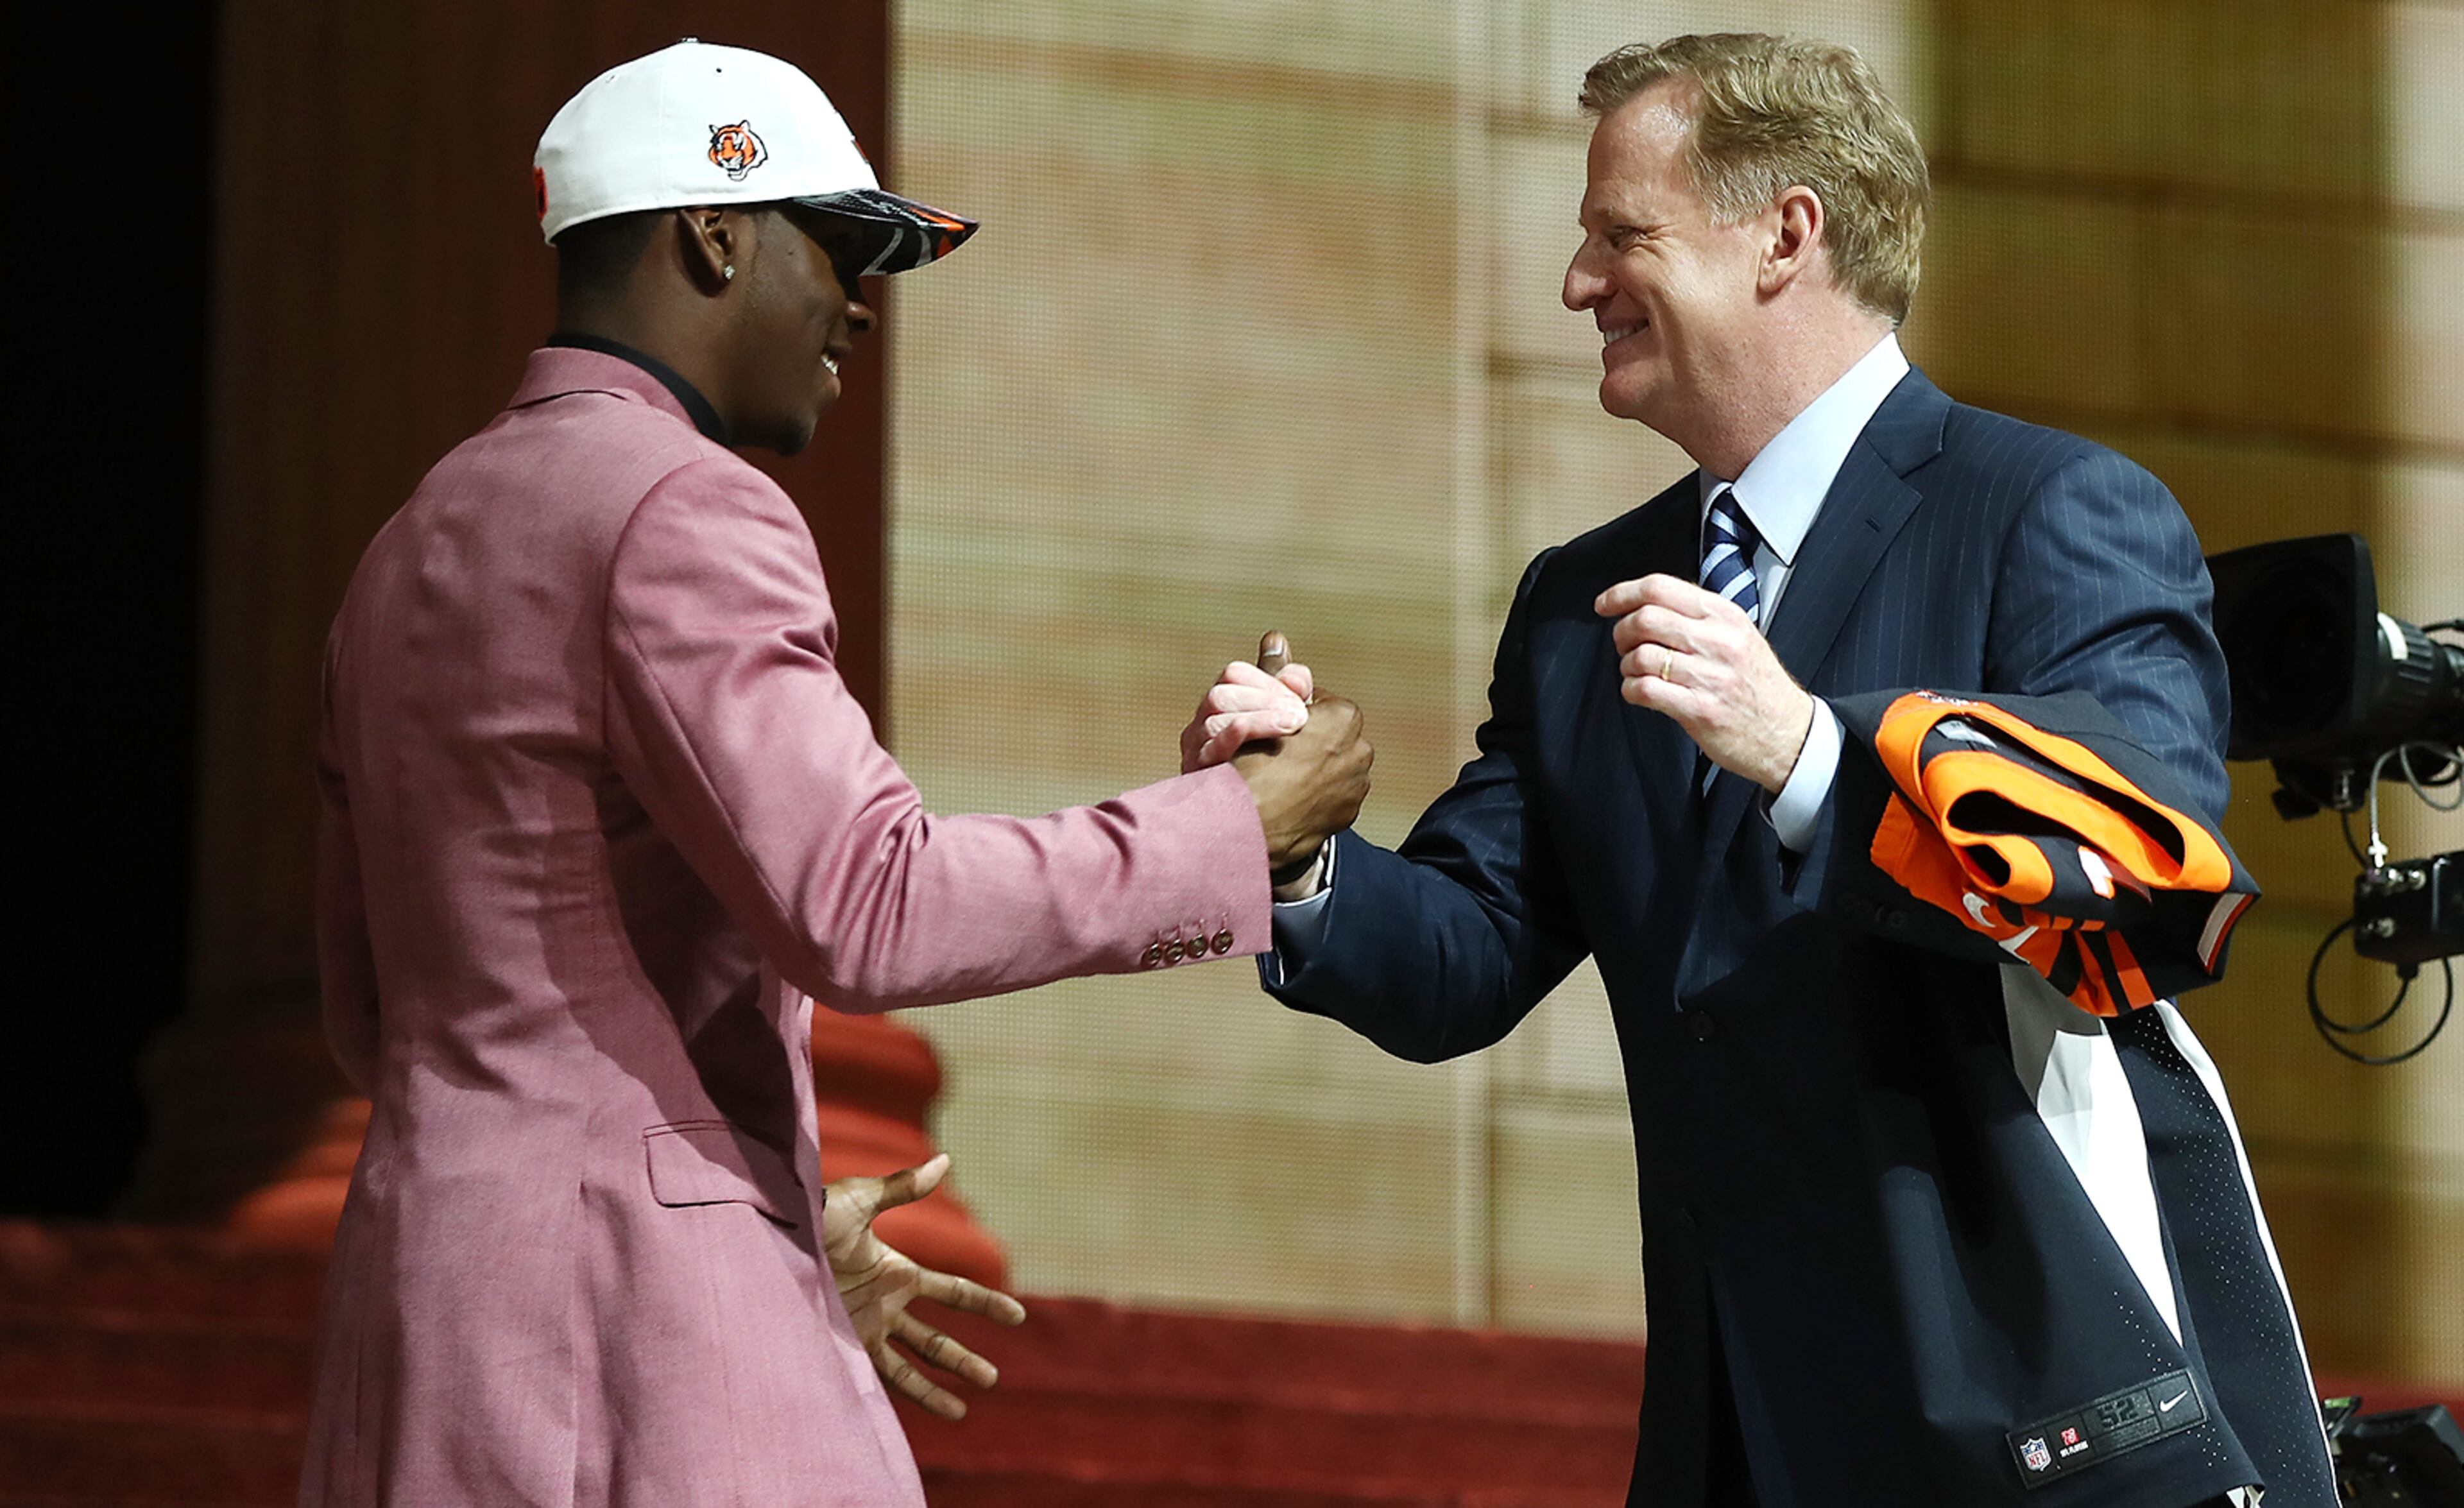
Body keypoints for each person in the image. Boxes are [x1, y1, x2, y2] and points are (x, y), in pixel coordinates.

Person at [1186, 32, 2335, 1508]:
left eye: (1622, 234)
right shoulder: (1576, 605)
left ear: (1786, 235)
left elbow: (2145, 859)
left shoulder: (2051, 510)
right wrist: (1294, 849)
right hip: (1739, 1442)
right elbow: (1464, 955)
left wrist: (1811, 755)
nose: (1578, 283)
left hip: (2049, 1438)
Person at [302, 40, 1369, 1508]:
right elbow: (867, 901)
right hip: (641, 1343)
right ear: (715, 234)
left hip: (424, 1328)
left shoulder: (405, 548)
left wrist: (758, 1215)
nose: (862, 304)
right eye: (844, 245)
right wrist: (1234, 829)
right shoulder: (686, 505)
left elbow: (369, 1007)